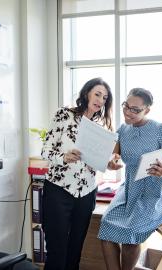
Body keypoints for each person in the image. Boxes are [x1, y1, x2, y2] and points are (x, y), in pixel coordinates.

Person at [98, 88, 162, 270]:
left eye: (135, 109)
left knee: (131, 235)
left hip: (155, 192)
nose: (128, 112)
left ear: (146, 111)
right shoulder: (123, 130)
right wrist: (112, 163)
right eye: (126, 106)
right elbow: (113, 157)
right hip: (129, 188)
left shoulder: (159, 130)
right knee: (105, 227)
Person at [41, 77, 113, 270]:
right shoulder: (64, 114)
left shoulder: (100, 128)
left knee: (75, 251)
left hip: (87, 193)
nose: (100, 100)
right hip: (58, 190)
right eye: (97, 94)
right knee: (57, 251)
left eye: (105, 98)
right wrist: (64, 157)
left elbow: (97, 161)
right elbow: (45, 151)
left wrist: (110, 164)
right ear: (87, 93)